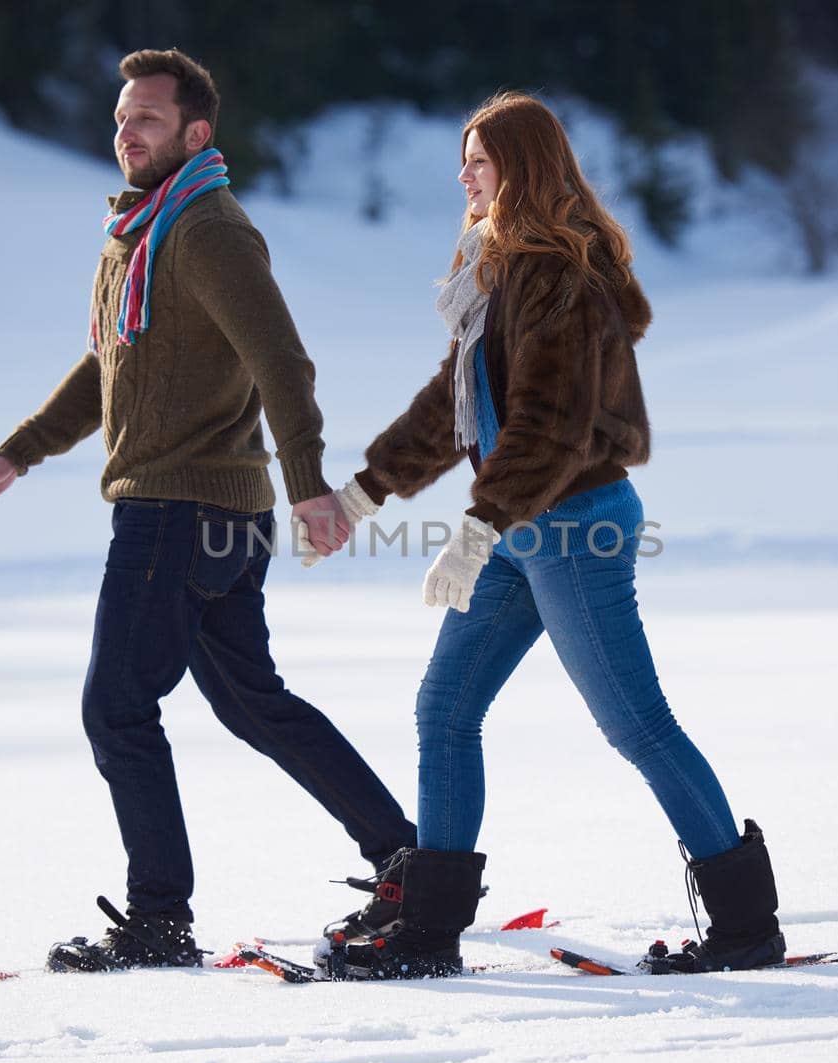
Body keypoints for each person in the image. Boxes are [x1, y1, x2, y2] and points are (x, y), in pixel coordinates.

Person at [0, 48, 415, 972]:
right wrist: (20, 451)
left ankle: (159, 919)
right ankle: (408, 860)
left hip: (177, 512)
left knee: (116, 708)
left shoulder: (205, 229)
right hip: (208, 516)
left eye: (149, 121)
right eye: (123, 117)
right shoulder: (140, 232)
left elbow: (282, 361)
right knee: (255, 705)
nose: (127, 133)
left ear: (195, 134)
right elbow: (112, 366)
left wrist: (311, 483)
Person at [312, 92, 787, 980]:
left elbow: (548, 427)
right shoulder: (498, 271)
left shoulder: (561, 279)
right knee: (444, 711)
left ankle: (745, 925)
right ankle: (430, 930)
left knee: (637, 726)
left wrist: (477, 530)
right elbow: (451, 406)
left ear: (521, 169)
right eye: (464, 159)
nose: (463, 176)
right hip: (522, 527)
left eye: (479, 161)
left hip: (572, 527)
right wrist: (362, 493)